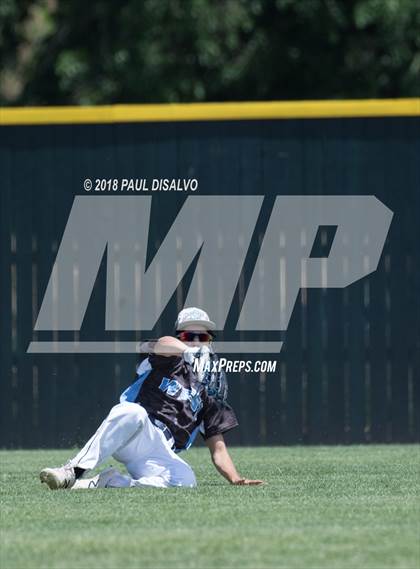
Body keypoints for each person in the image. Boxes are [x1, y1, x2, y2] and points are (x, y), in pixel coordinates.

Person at [40, 307, 264, 489]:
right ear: (180, 337)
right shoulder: (169, 359)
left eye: (202, 336)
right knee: (130, 411)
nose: (195, 340)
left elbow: (218, 449)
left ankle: (106, 483)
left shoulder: (209, 391)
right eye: (188, 335)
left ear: (210, 341)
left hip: (158, 451)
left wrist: (235, 478)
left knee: (185, 480)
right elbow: (161, 343)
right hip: (135, 430)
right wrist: (185, 351)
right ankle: (72, 471)